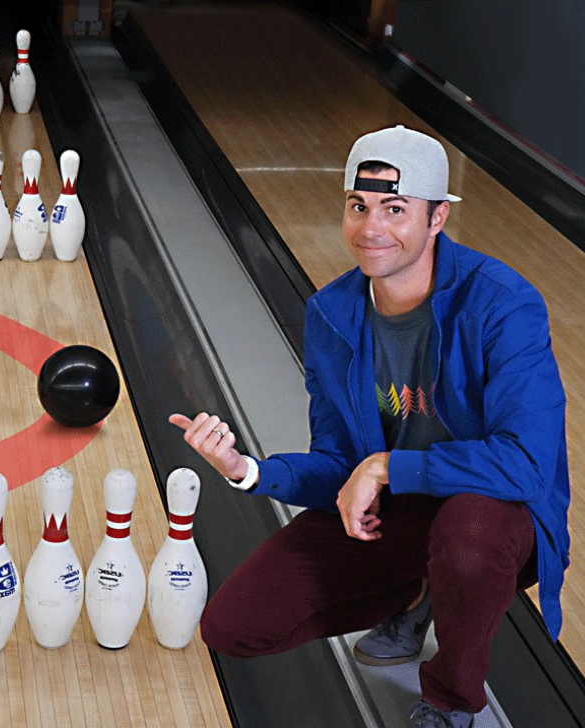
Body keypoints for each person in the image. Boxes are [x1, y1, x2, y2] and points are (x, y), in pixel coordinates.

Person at [170, 125, 570, 728]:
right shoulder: (332, 312)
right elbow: (337, 461)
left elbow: (528, 464)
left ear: (437, 218)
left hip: (491, 513)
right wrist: (247, 469)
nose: (371, 228)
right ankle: (417, 591)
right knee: (233, 627)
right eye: (358, 206)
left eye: (395, 208)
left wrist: (387, 465)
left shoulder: (503, 303)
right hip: (399, 511)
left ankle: (451, 699)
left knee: (465, 539)